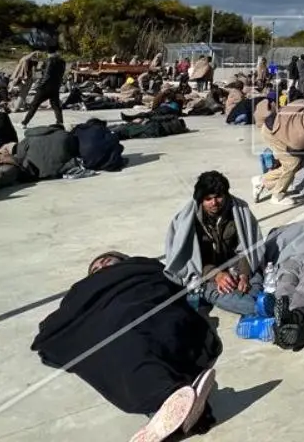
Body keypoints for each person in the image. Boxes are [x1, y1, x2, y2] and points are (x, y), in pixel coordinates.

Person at [32, 252, 221, 442]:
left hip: (144, 308)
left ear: (124, 261)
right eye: (95, 269)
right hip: (109, 324)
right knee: (115, 342)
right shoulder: (81, 291)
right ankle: (179, 405)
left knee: (137, 329)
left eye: (107, 260)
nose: (101, 265)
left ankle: (166, 407)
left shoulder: (140, 268)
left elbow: (167, 284)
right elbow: (62, 319)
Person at [163, 171, 265, 315]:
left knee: (256, 275)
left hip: (233, 264)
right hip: (204, 272)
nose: (214, 203)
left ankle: (255, 301)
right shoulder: (187, 221)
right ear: (200, 200)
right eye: (208, 199)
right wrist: (216, 275)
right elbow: (189, 262)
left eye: (218, 197)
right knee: (211, 291)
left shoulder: (239, 211)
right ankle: (259, 307)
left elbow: (249, 248)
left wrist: (244, 275)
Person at [21, 47, 66, 127]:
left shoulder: (49, 61)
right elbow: (61, 75)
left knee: (34, 105)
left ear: (50, 54)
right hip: (55, 86)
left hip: (45, 87)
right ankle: (60, 122)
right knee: (56, 106)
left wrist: (40, 85)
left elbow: (46, 75)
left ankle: (24, 122)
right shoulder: (62, 62)